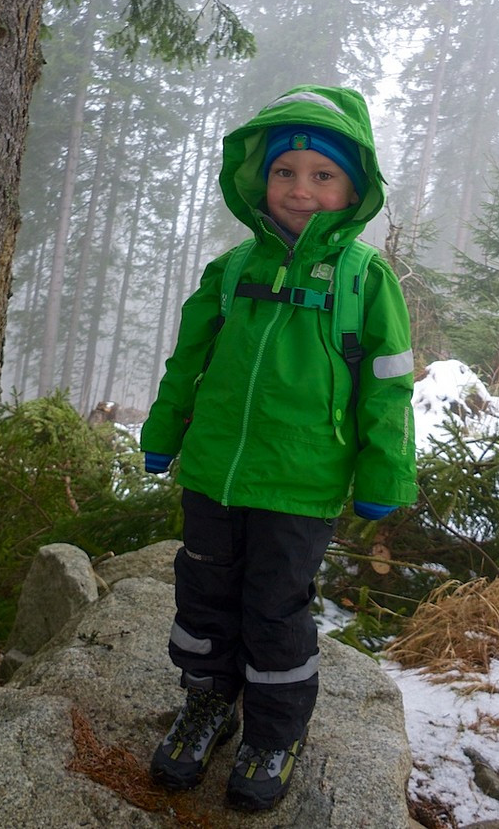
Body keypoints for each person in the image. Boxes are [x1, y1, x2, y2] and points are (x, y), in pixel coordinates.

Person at [140, 84, 417, 812]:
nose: (300, 189)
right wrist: (164, 432)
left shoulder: (365, 279)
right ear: (258, 179)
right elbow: (187, 362)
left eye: (323, 175)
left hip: (301, 483)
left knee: (274, 609)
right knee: (203, 596)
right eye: (284, 172)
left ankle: (273, 734)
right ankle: (206, 704)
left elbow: (389, 386)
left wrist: (385, 473)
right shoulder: (233, 270)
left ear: (354, 188)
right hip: (214, 474)